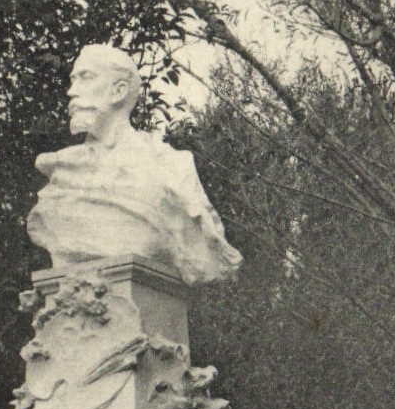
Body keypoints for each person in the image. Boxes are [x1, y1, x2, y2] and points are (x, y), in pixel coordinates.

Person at [27, 44, 241, 288]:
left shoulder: (170, 166)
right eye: (73, 80)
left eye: (86, 78)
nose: (72, 91)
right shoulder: (61, 170)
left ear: (118, 90)